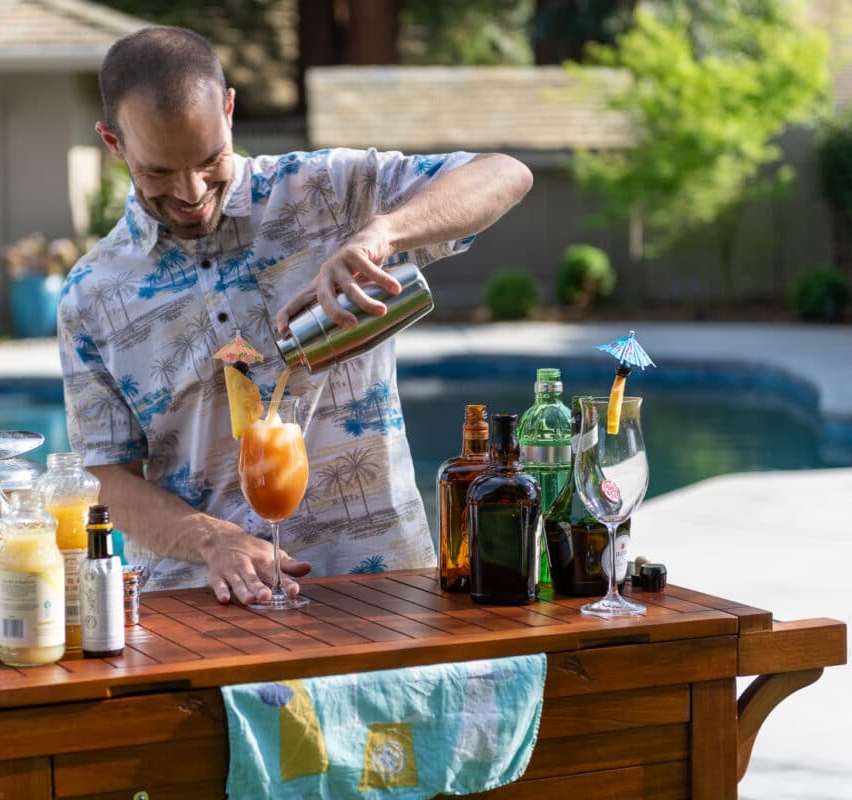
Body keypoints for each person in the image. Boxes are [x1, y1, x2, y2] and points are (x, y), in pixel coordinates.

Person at [58, 26, 533, 605]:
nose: (191, 191)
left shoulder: (327, 191)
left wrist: (379, 234)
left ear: (229, 109)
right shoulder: (91, 294)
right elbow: (106, 478)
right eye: (159, 172)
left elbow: (506, 173)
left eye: (210, 159)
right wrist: (212, 540)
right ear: (113, 143)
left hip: (381, 593)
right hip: (201, 608)